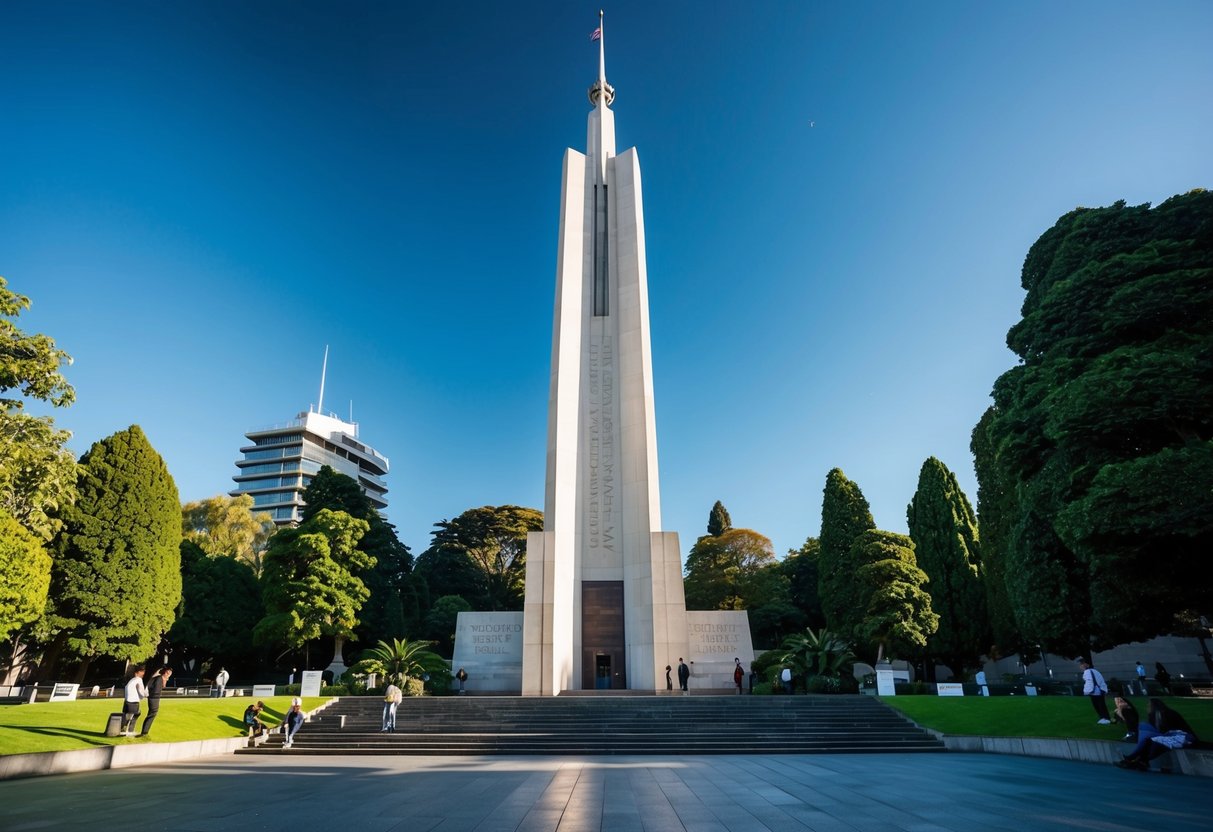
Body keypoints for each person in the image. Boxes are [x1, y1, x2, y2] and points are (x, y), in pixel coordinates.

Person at [1116, 699, 1198, 771]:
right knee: (1149, 737)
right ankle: (1141, 761)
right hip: (1169, 736)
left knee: (1148, 737)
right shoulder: (1155, 715)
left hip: (1181, 736)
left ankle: (1132, 758)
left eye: (1149, 705)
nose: (1147, 707)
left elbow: (1166, 731)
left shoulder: (1167, 714)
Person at [138, 667, 172, 737]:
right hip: (153, 698)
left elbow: (163, 686)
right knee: (152, 714)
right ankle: (144, 732)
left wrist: (165, 679)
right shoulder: (158, 678)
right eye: (168, 673)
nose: (169, 675)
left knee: (152, 714)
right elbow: (148, 685)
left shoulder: (160, 679)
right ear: (166, 672)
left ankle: (144, 732)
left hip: (154, 698)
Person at [1078, 659, 1110, 724]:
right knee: (1101, 704)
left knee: (1098, 705)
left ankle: (1105, 718)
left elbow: (1089, 682)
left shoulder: (1087, 672)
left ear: (1085, 665)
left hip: (1095, 691)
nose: (1080, 666)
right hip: (1100, 690)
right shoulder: (1094, 671)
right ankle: (1104, 718)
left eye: (1081, 664)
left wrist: (1087, 691)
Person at [119, 666, 147, 736]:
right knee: (136, 714)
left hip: (127, 701)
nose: (144, 674)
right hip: (133, 701)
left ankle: (123, 729)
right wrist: (145, 695)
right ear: (139, 672)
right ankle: (130, 730)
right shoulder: (139, 680)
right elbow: (142, 691)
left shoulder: (131, 680)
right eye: (143, 672)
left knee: (126, 716)